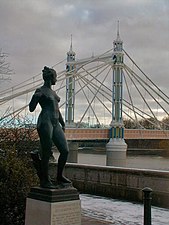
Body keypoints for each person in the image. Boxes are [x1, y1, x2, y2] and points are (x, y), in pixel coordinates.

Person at [29, 66, 71, 188]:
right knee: (46, 152)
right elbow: (31, 108)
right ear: (51, 77)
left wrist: (62, 123)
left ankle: (59, 176)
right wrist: (35, 97)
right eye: (56, 77)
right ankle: (45, 181)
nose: (56, 80)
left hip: (55, 122)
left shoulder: (53, 92)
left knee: (65, 150)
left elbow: (56, 109)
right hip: (45, 121)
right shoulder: (40, 90)